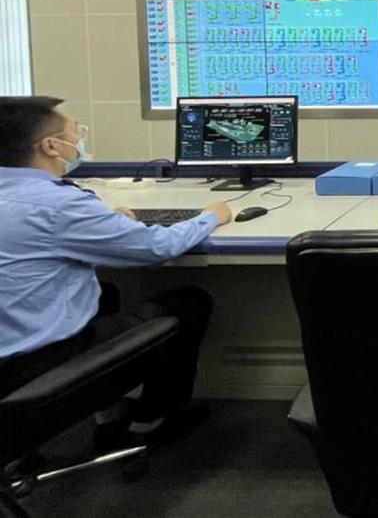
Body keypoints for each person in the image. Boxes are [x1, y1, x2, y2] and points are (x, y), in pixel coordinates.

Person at [0, 96, 233, 444]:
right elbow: (157, 248)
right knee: (189, 304)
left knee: (105, 292)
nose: (78, 141)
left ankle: (106, 413)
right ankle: (150, 422)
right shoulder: (60, 204)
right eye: (75, 133)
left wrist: (104, 224)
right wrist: (211, 216)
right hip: (33, 371)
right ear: (50, 146)